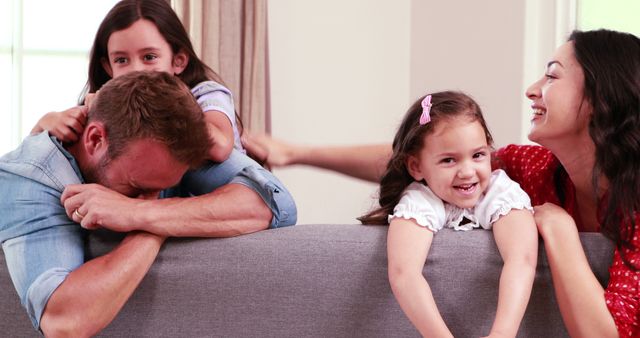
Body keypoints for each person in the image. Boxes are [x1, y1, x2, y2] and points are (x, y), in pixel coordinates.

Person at [244, 29, 640, 336]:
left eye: (552, 76)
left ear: (601, 96)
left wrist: (559, 230)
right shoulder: (536, 168)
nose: (532, 89)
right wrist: (297, 153)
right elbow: (431, 158)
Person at [0, 71, 290, 337]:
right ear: (95, 139)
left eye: (161, 188)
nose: (152, 194)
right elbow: (65, 321)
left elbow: (274, 203)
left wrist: (141, 214)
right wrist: (157, 227)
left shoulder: (171, 148)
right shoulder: (26, 176)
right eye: (139, 187)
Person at [359, 91, 537, 337]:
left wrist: (502, 333)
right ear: (417, 167)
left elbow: (522, 259)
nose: (467, 171)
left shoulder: (501, 192)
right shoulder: (419, 201)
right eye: (449, 160)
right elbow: (404, 273)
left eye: (478, 155)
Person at [32, 0, 243, 162]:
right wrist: (45, 124)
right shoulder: (102, 104)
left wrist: (156, 105)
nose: (136, 70)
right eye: (122, 60)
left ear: (178, 61)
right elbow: (30, 164)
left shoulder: (206, 94)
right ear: (108, 67)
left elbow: (220, 147)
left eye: (149, 57)